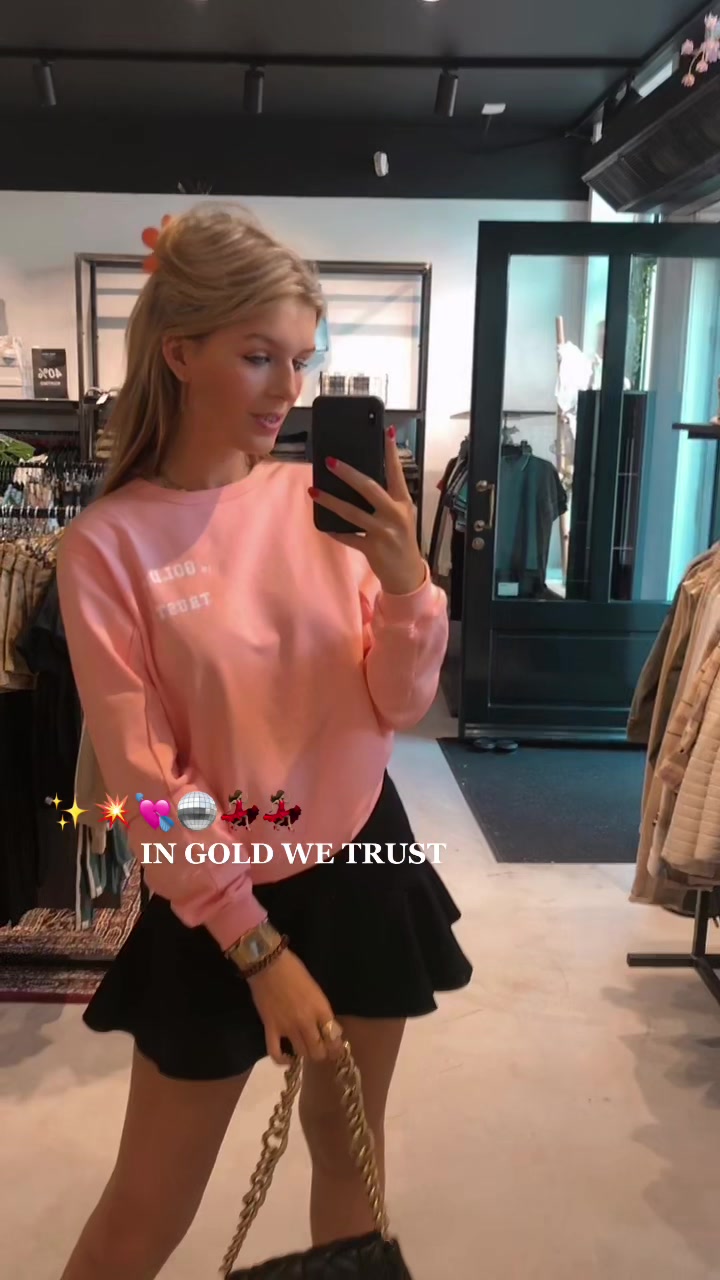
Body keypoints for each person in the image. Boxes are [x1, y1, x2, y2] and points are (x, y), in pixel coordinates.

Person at [56, 205, 472, 1280]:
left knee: (352, 1169)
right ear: (179, 351)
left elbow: (396, 704)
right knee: (145, 1208)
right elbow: (148, 781)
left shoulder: (324, 505)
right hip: (215, 901)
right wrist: (256, 948)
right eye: (258, 355)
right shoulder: (107, 546)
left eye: (301, 359)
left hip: (363, 858)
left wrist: (407, 584)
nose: (288, 387)